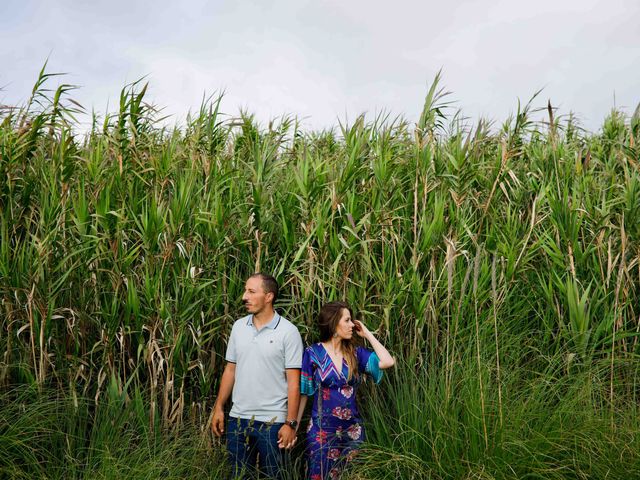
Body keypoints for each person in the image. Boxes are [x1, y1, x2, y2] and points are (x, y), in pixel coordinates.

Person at [211, 273, 303, 479]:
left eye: (251, 292)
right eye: (245, 291)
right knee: (239, 476)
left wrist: (290, 424)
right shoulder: (238, 327)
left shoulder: (288, 332)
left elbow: (294, 384)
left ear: (269, 296)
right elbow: (230, 370)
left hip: (273, 422)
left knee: (276, 475)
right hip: (237, 419)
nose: (244, 296)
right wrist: (219, 407)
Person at [295, 301, 395, 479]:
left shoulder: (355, 354)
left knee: (351, 475)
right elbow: (304, 393)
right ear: (334, 323)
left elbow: (388, 362)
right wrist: (293, 427)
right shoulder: (313, 353)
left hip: (352, 430)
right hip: (321, 431)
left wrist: (367, 334)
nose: (352, 325)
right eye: (347, 320)